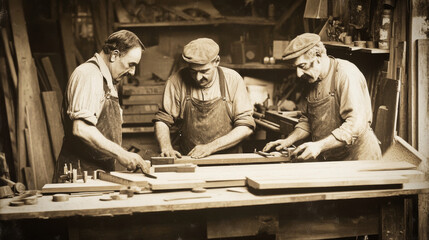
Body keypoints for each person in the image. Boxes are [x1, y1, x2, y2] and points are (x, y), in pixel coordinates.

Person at [263, 33, 381, 161]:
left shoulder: (346, 74)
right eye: (296, 68)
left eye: (302, 66)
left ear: (318, 56)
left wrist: (319, 146)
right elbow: (307, 120)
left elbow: (355, 125)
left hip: (359, 158)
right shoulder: (311, 79)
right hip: (333, 158)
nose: (298, 74)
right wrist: (287, 141)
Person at [53, 30, 150, 182]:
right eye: (131, 65)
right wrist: (122, 154)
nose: (132, 72)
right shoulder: (89, 75)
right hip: (79, 174)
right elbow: (81, 129)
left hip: (96, 171)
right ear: (114, 55)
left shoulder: (108, 81)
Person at [154, 38, 255, 159]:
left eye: (204, 71)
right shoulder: (176, 81)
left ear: (216, 61)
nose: (198, 77)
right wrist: (166, 148)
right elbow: (163, 119)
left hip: (229, 159)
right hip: (190, 158)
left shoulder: (233, 80)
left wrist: (211, 147)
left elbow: (246, 126)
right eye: (193, 72)